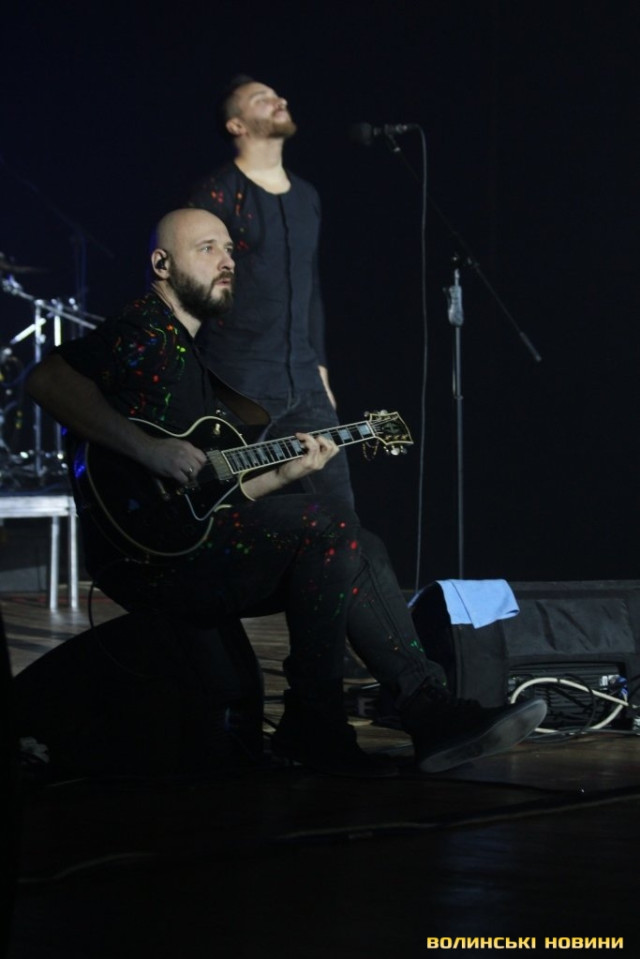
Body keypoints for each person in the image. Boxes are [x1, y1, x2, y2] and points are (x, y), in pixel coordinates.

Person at [26, 208, 546, 778]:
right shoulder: (145, 330)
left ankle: (428, 711)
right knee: (329, 521)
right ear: (162, 264)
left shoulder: (189, 358)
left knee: (359, 547)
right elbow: (46, 380)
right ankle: (319, 723)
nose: (227, 260)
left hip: (187, 542)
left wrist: (283, 474)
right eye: (207, 248)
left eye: (230, 249)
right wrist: (148, 450)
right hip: (150, 558)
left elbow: (211, 492)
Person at [186, 75, 354, 508]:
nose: (279, 100)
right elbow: (191, 284)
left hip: (304, 378)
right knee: (224, 504)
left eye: (278, 95)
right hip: (239, 379)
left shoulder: (307, 195)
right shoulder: (216, 193)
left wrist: (320, 371)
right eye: (262, 99)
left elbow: (310, 287)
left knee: (339, 512)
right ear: (237, 125)